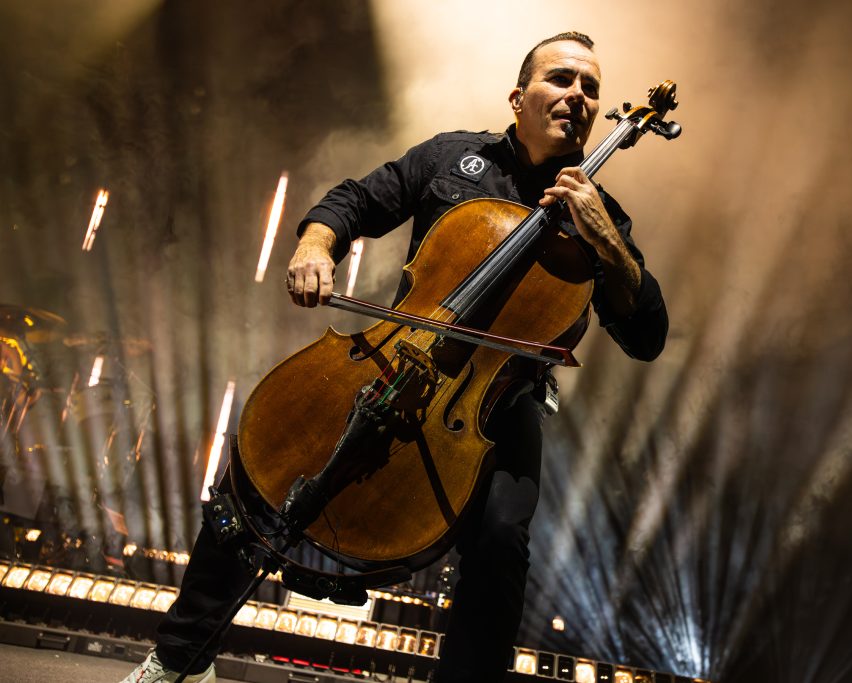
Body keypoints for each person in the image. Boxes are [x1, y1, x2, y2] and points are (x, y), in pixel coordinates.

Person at [120, 31, 668, 683]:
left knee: (501, 537)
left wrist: (605, 239)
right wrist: (315, 248)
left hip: (494, 400)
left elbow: (647, 334)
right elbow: (355, 201)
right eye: (561, 79)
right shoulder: (451, 158)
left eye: (591, 88)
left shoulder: (598, 217)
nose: (577, 95)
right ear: (519, 97)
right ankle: (180, 656)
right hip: (393, 352)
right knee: (265, 455)